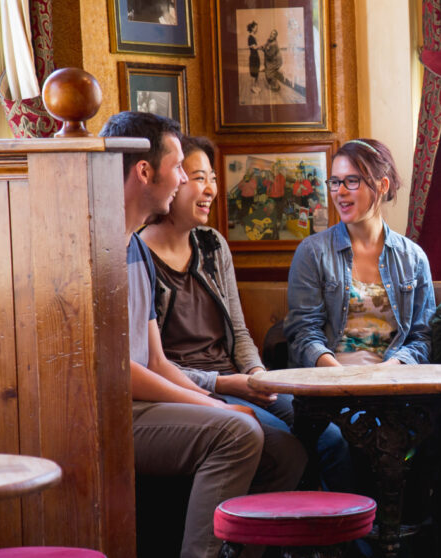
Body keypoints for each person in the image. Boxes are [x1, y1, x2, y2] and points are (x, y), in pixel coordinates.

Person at [99, 112, 303, 558]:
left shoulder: (133, 246)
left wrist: (218, 399)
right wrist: (216, 405)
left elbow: (155, 359)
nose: (186, 182)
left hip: (147, 397)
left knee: (285, 449)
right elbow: (119, 372)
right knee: (238, 432)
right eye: (180, 169)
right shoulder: (99, 244)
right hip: (106, 412)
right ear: (145, 172)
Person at [137, 135, 345, 491]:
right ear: (174, 181)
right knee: (285, 445)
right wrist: (226, 385)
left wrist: (258, 374)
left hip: (238, 379)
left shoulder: (213, 244)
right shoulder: (138, 254)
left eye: (213, 178)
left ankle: (346, 526)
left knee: (331, 436)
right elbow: (152, 364)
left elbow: (239, 331)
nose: (211, 189)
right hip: (190, 388)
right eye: (199, 178)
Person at [284, 138, 434, 475]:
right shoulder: (313, 252)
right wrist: (343, 378)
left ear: (381, 185)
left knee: (428, 437)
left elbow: (422, 338)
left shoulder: (413, 258)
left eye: (352, 181)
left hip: (394, 388)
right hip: (328, 390)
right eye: (335, 182)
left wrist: (389, 370)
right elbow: (303, 333)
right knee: (341, 442)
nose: (340, 192)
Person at [247, 21, 261, 94]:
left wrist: (260, 47)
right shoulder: (250, 37)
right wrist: (261, 46)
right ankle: (253, 87)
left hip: (255, 56)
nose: (257, 29)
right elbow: (254, 47)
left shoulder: (253, 37)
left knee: (256, 72)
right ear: (252, 28)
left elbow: (255, 47)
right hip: (253, 56)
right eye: (256, 28)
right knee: (253, 72)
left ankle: (255, 86)